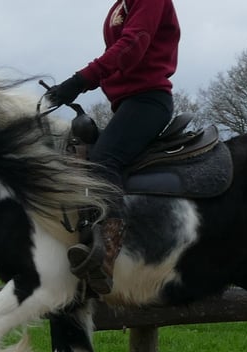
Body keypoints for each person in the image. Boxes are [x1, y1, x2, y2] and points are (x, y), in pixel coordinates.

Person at [45, 0, 181, 295]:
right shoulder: (121, 4)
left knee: (104, 161)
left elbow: (132, 46)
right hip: (128, 103)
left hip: (148, 101)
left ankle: (106, 257)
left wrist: (79, 81)